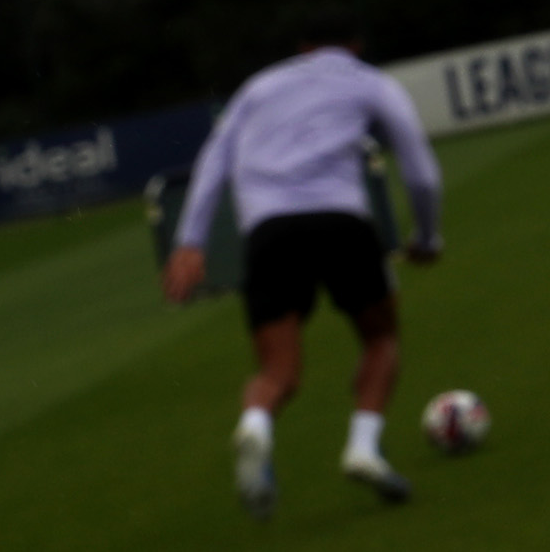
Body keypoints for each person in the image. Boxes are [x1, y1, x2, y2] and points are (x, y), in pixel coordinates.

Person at [161, 44, 443, 515]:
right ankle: (364, 446)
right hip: (341, 222)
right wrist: (428, 236)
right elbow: (421, 172)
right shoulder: (368, 81)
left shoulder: (258, 86)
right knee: (380, 337)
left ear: (299, 48)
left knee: (278, 371)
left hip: (270, 233)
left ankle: (255, 423)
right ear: (352, 45)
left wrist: (191, 241)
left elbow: (214, 159)